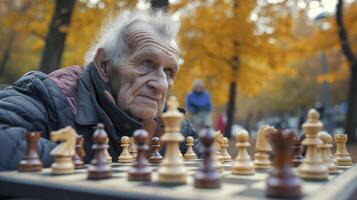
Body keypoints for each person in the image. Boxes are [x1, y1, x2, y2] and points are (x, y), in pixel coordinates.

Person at [0, 10, 199, 171]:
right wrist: (79, 157)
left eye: (169, 71)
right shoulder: (49, 96)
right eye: (146, 63)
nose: (162, 84)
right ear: (104, 65)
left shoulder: (171, 126)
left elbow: (210, 156)